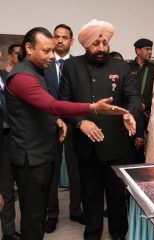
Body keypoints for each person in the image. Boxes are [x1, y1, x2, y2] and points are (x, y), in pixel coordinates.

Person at [5, 27, 129, 240]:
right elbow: (53, 104)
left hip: (43, 154)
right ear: (28, 48)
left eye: (52, 50)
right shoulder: (22, 77)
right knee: (33, 219)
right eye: (46, 51)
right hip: (30, 158)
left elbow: (39, 109)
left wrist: (56, 121)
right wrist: (91, 108)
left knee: (37, 214)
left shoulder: (37, 71)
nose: (52, 56)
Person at [59, 19, 141, 240]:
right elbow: (63, 103)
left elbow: (133, 97)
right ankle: (92, 234)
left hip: (116, 146)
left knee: (116, 197)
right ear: (86, 44)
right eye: (96, 44)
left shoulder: (121, 67)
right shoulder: (71, 67)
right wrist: (80, 122)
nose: (102, 48)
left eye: (105, 43)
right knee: (90, 196)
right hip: (85, 147)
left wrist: (128, 113)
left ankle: (118, 234)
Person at [43, 24, 86, 234]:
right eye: (57, 37)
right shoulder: (44, 64)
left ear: (71, 41)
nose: (60, 41)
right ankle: (51, 214)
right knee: (51, 170)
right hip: (49, 124)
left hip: (74, 123)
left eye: (64, 37)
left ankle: (76, 210)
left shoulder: (79, 64)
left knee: (76, 168)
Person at [128, 38, 154, 163]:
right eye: (147, 49)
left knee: (147, 147)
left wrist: (145, 104)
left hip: (148, 113)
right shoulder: (128, 67)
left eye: (151, 49)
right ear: (138, 51)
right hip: (131, 112)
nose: (150, 52)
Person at [1, 69, 21, 240]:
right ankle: (8, 231)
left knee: (14, 185)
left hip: (15, 136)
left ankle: (11, 231)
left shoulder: (8, 77)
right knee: (5, 187)